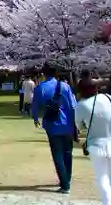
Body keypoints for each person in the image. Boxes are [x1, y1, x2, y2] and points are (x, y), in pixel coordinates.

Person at [32, 67, 78, 195]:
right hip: (67, 124)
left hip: (52, 125)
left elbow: (35, 106)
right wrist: (75, 123)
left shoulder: (40, 88)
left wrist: (36, 119)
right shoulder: (65, 86)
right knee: (68, 153)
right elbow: (74, 106)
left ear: (44, 74)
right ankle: (67, 179)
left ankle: (65, 184)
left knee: (57, 154)